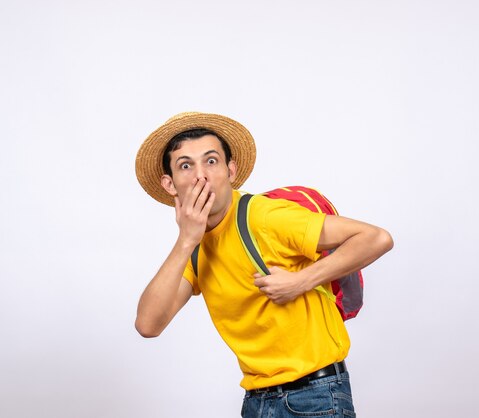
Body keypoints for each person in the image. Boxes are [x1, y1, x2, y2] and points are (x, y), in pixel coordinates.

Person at [134, 112, 393, 417]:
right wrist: (186, 241)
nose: (200, 175)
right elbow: (148, 325)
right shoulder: (193, 248)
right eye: (186, 165)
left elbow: (376, 237)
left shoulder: (264, 218)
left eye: (212, 161)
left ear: (231, 170)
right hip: (256, 402)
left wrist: (301, 281)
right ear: (170, 183)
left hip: (317, 398)